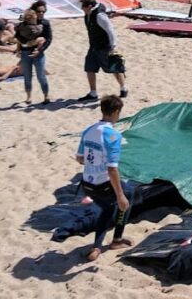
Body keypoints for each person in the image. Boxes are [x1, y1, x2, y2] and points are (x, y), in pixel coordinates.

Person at [74, 95, 131, 261]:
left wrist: (94, 159)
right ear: (115, 112)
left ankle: (97, 247)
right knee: (128, 197)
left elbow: (80, 158)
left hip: (87, 184)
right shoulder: (113, 136)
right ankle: (117, 239)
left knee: (107, 209)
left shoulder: (88, 130)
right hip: (102, 184)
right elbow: (112, 169)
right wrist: (120, 195)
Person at [80, 0, 127, 101]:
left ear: (89, 6)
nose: (81, 8)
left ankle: (123, 88)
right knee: (89, 68)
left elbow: (111, 31)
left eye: (83, 6)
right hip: (93, 47)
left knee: (114, 68)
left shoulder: (100, 16)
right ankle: (93, 93)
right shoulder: (87, 15)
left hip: (104, 47)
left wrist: (113, 46)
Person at [13, 9, 49, 104]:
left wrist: (18, 49)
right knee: (36, 76)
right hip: (29, 52)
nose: (37, 17)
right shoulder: (35, 27)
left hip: (29, 53)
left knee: (33, 76)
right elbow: (19, 39)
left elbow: (18, 39)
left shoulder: (21, 26)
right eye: (35, 17)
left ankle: (42, 96)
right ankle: (37, 96)